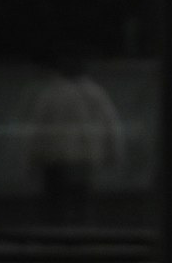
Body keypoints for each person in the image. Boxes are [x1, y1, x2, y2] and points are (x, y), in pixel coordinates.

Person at [20, 52, 125, 227]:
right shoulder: (94, 94)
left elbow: (37, 128)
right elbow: (111, 126)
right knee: (78, 202)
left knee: (59, 205)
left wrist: (31, 159)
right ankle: (79, 236)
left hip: (57, 159)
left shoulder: (52, 93)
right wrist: (113, 154)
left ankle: (60, 237)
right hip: (79, 158)